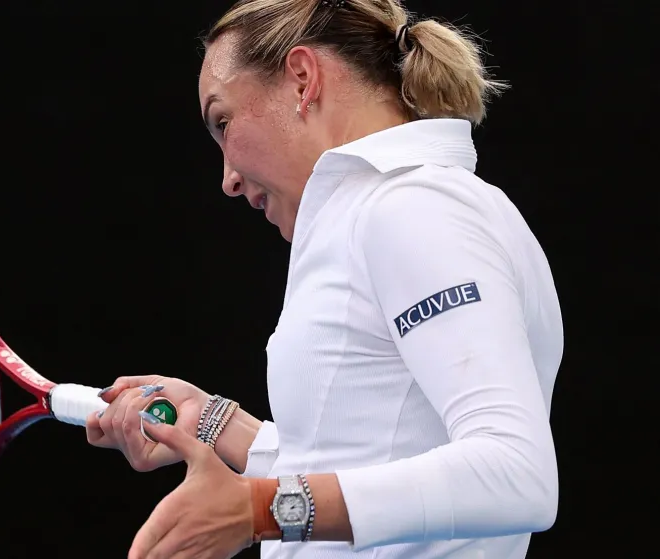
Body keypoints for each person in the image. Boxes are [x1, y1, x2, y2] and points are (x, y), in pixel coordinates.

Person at [86, 0, 563, 557]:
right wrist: (217, 423)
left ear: (302, 80)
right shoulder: (389, 211)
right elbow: (371, 455)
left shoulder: (414, 207)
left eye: (223, 122)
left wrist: (259, 508)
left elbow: (515, 472)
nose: (228, 179)